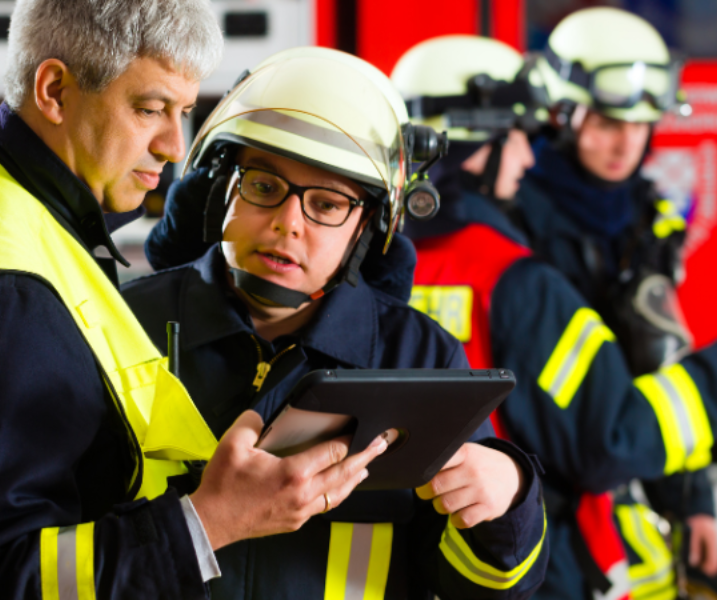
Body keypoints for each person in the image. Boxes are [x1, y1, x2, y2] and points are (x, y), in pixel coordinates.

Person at [0, 2, 390, 598]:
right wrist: (208, 523)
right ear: (55, 91)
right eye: (149, 109)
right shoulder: (6, 295)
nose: (173, 146)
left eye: (184, 113)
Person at [122, 47, 548, 599]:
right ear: (217, 191)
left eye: (326, 204)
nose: (288, 224)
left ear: (368, 227)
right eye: (263, 187)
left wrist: (509, 500)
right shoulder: (121, 325)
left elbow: (487, 588)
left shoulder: (417, 358)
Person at [391, 28, 717, 600]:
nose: (527, 154)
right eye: (518, 136)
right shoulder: (519, 279)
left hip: (429, 555)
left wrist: (692, 500)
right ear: (475, 145)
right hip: (532, 554)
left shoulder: (386, 260)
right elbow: (606, 440)